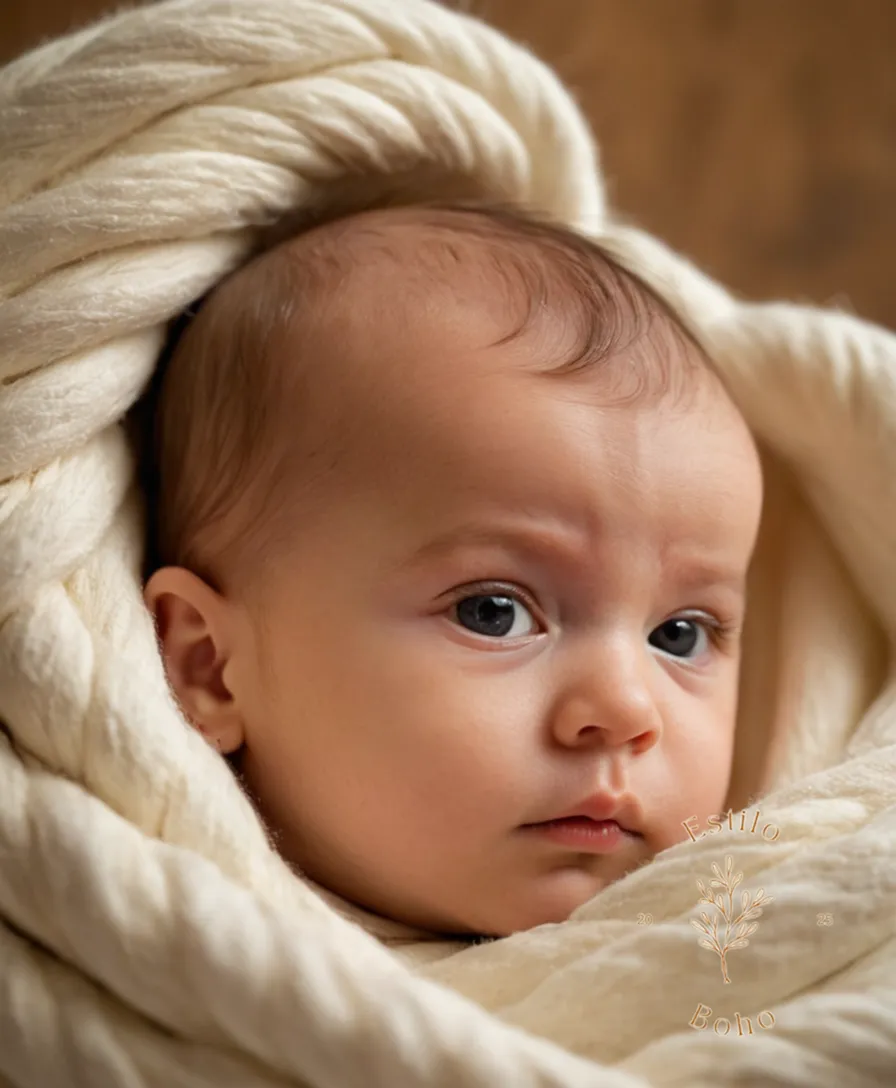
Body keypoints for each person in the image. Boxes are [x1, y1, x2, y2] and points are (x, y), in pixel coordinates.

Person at [140, 202, 764, 939]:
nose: (629, 711)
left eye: (681, 635)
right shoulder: (163, 932)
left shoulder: (746, 933)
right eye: (493, 612)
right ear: (210, 667)